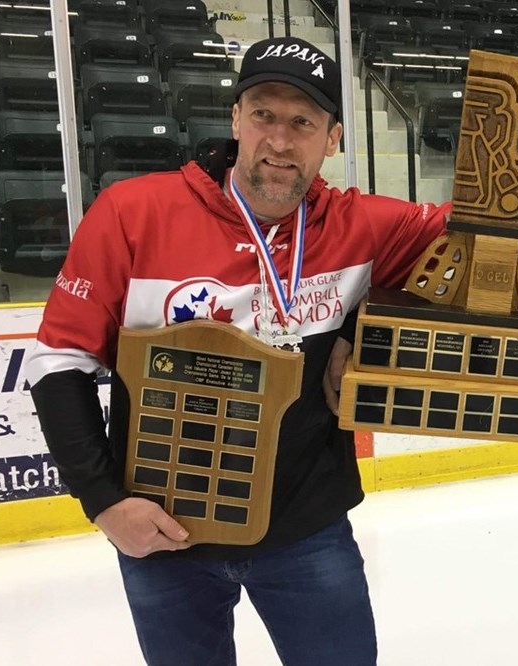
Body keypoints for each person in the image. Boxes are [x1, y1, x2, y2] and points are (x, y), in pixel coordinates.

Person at [25, 37, 449, 666]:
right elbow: (58, 360)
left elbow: (494, 232)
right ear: (235, 121)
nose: (279, 141)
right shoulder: (132, 214)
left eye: (303, 122)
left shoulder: (363, 226)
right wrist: (104, 501)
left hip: (308, 531)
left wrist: (363, 327)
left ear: (332, 137)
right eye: (263, 115)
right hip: (165, 536)